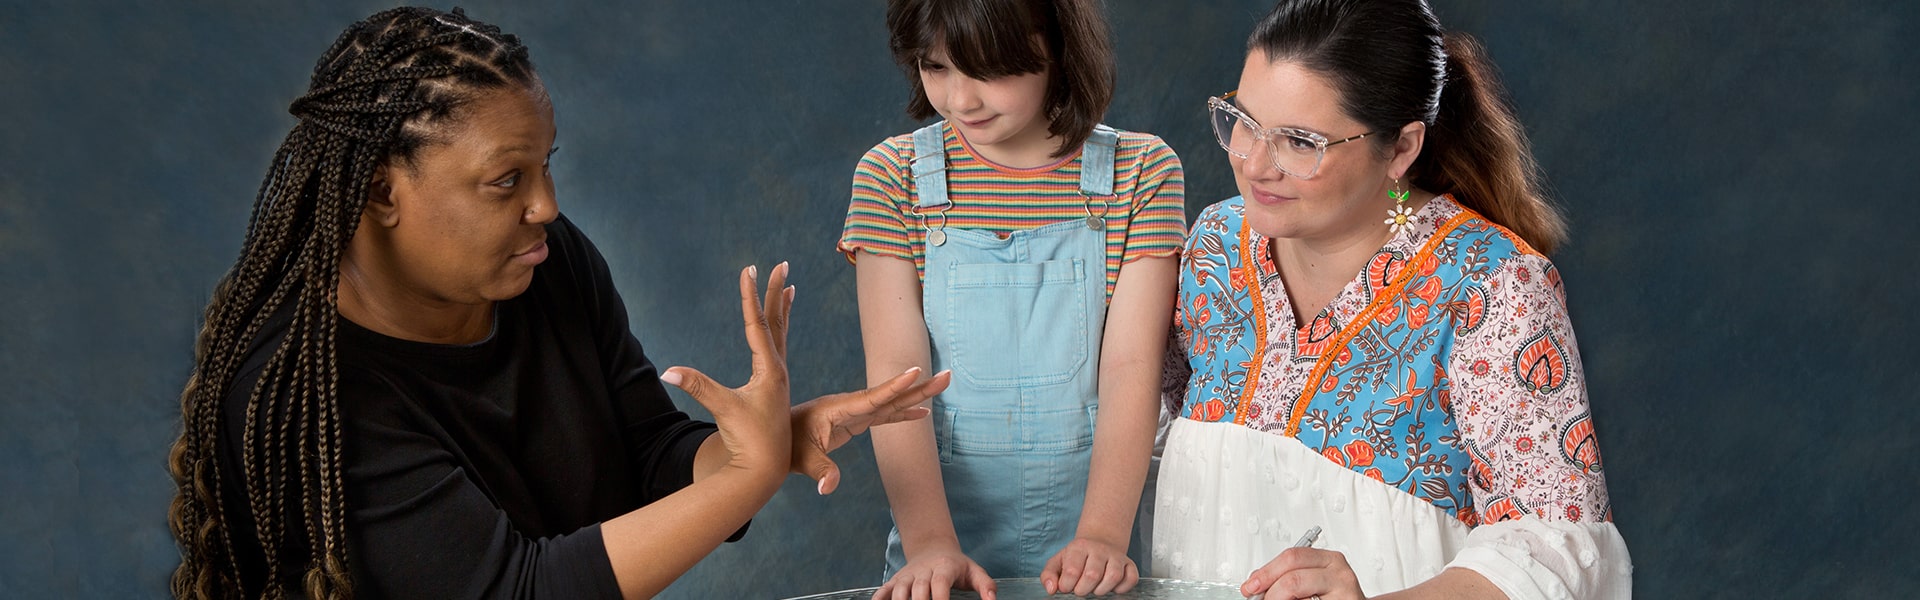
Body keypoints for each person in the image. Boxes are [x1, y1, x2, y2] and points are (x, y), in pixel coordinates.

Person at [165, 8, 947, 599]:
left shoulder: (546, 263)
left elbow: (647, 457)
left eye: (546, 166)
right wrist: (746, 477)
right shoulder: (309, 395)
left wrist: (757, 445)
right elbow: (520, 591)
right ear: (381, 193)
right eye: (507, 180)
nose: (546, 205)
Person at [1152, 0, 1632, 598]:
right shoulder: (1214, 249)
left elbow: (1557, 548)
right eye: (1243, 122)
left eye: (1300, 142)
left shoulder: (1489, 283)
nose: (1253, 163)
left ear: (1401, 148)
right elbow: (1142, 444)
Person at [838, 0, 1187, 597]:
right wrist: (929, 546)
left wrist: (1102, 534)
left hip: (1100, 543)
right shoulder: (891, 177)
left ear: (1058, 48)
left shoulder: (1142, 172)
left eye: (989, 70)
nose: (961, 100)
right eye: (936, 66)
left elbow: (1133, 369)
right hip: (940, 540)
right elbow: (898, 380)